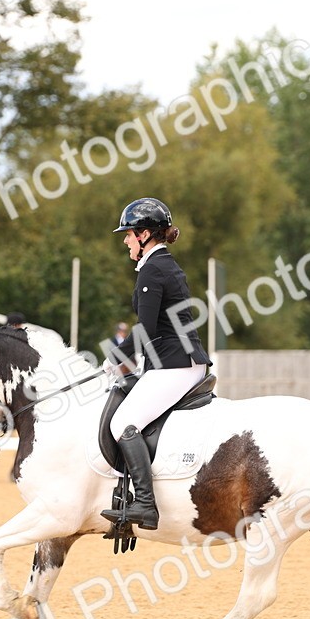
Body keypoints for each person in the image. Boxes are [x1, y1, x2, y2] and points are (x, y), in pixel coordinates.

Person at [101, 197, 212, 530]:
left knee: (122, 424)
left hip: (175, 365)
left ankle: (146, 505)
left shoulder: (153, 268)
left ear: (144, 234)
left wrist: (116, 356)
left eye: (129, 234)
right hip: (174, 361)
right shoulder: (163, 264)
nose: (125, 240)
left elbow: (146, 328)